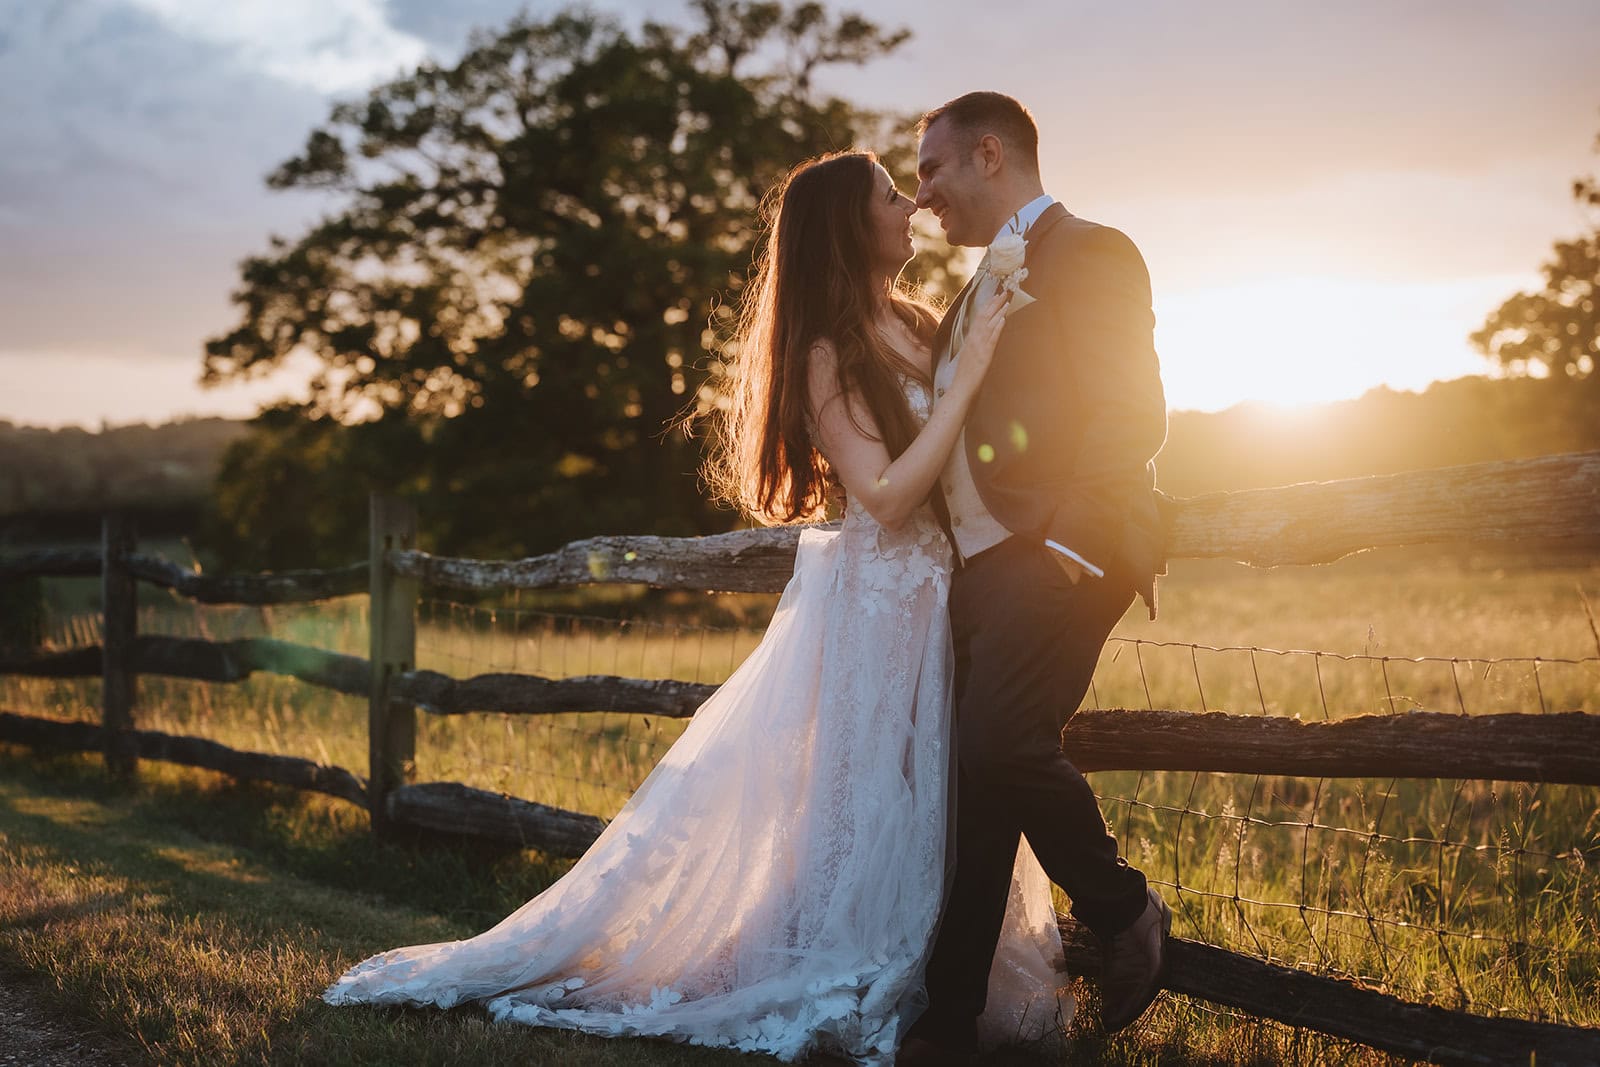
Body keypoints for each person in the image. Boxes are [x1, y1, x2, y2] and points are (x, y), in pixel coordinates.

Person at [321, 150, 1071, 1064]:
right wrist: (971, 372)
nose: (909, 205)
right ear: (846, 223)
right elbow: (884, 494)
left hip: (946, 602)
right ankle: (847, 966)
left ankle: (939, 981)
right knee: (863, 799)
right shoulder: (827, 350)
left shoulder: (920, 321)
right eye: (889, 194)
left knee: (940, 795)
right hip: (876, 604)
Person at [900, 92, 1175, 1063]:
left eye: (930, 168)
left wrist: (1068, 545)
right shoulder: (973, 292)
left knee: (999, 740)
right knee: (975, 782)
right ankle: (945, 1020)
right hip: (978, 571)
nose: (920, 191)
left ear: (987, 156)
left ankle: (1123, 906)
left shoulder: (1090, 250)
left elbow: (1129, 410)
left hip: (1062, 554)